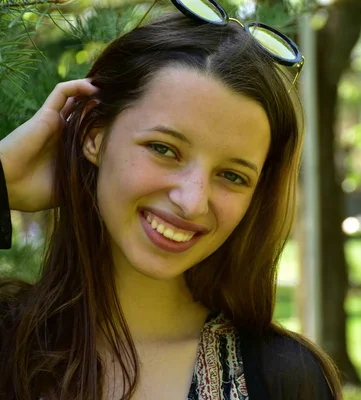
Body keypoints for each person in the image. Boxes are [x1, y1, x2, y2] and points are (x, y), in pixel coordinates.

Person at [0, 1, 342, 399]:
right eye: (164, 149)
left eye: (232, 176)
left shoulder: (285, 379)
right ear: (94, 132)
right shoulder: (10, 343)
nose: (193, 202)